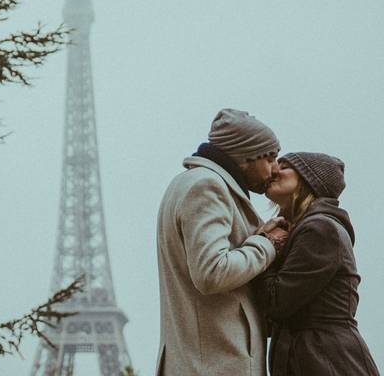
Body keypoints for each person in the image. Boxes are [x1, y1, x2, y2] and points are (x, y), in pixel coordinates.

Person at [156, 108, 288, 376]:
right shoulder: (206, 187)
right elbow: (212, 272)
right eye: (270, 158)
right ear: (245, 157)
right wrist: (267, 244)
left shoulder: (188, 184)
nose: (275, 169)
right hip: (215, 363)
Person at [254, 152, 380, 375]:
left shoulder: (320, 229)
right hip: (315, 357)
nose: (274, 169)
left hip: (327, 359)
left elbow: (276, 303)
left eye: (284, 165)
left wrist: (262, 245)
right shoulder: (303, 230)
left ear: (307, 179)